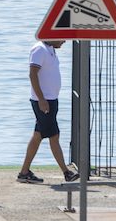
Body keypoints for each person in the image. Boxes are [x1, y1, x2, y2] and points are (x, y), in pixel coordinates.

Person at [17, 37, 79, 184]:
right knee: (54, 135)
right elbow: (33, 74)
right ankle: (66, 172)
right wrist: (41, 99)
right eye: (62, 38)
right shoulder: (39, 49)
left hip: (51, 100)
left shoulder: (50, 50)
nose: (64, 41)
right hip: (43, 101)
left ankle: (24, 172)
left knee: (38, 135)